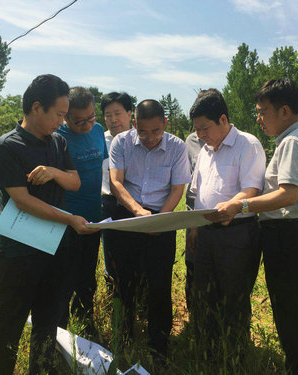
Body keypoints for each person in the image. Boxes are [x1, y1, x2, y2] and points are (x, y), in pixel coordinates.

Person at [207, 79, 298, 374]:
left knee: (290, 308)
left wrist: (241, 205)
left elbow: (288, 194)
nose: (258, 119)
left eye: (263, 112)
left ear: (284, 111)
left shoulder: (293, 143)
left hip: (290, 236)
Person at [0, 74, 97, 375]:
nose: (62, 122)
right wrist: (70, 219)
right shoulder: (7, 147)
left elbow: (74, 182)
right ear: (37, 108)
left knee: (51, 322)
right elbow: (22, 200)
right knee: (9, 322)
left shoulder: (58, 143)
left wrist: (52, 171)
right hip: (19, 253)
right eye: (59, 115)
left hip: (56, 248)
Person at [108, 99, 190, 359]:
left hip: (161, 216)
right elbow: (116, 183)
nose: (150, 138)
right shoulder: (121, 142)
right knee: (123, 282)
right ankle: (123, 337)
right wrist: (137, 212)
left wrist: (159, 220)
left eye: (156, 131)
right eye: (143, 132)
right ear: (134, 125)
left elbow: (178, 189)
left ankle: (159, 345)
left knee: (159, 284)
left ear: (165, 123)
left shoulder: (177, 147)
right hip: (127, 214)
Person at [187, 89, 266, 355]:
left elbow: (251, 190)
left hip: (237, 234)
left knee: (233, 297)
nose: (200, 135)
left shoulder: (248, 144)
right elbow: (197, 193)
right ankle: (208, 351)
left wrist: (232, 205)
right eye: (196, 130)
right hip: (207, 234)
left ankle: (235, 354)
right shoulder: (206, 151)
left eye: (204, 128)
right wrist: (195, 230)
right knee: (204, 294)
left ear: (222, 119)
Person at [56, 87, 107, 332]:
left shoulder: (98, 132)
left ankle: (86, 323)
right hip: (65, 220)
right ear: (65, 116)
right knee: (64, 278)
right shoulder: (57, 137)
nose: (87, 124)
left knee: (88, 276)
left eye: (91, 117)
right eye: (79, 120)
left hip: (93, 218)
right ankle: (59, 329)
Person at [100, 92, 133, 287]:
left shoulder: (141, 138)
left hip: (137, 204)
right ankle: (115, 300)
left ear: (130, 113)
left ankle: (139, 299)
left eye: (118, 113)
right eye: (108, 115)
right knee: (110, 254)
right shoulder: (99, 140)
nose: (113, 120)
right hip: (109, 203)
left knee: (136, 254)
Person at [183, 131, 204, 311]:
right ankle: (194, 314)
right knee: (192, 262)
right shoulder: (190, 140)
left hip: (223, 216)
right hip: (193, 212)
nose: (201, 132)